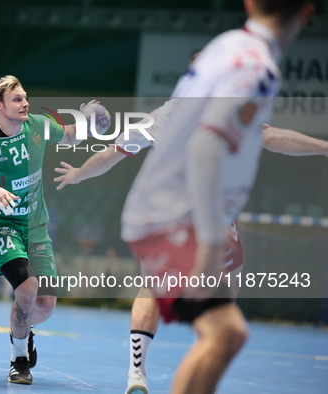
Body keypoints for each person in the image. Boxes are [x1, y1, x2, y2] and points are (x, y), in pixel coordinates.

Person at [61, 1, 315, 392]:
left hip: (154, 213)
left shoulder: (164, 113)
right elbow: (270, 139)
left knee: (204, 314)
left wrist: (79, 173)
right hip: (198, 215)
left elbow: (111, 155)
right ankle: (178, 365)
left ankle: (136, 375)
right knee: (224, 325)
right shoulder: (240, 84)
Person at [0, 75, 87, 385]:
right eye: (17, 99)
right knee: (27, 289)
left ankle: (20, 330)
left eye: (25, 97)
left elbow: (70, 136)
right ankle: (18, 359)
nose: (25, 103)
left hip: (35, 226)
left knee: (45, 305)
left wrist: (89, 121)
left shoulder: (38, 125)